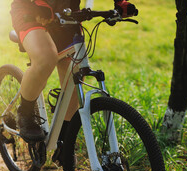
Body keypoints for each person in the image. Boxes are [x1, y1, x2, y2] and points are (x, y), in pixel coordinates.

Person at [10, 0, 138, 145]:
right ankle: (25, 113)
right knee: (46, 59)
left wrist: (120, 3)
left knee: (75, 72)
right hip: (31, 11)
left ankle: (64, 139)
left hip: (67, 14)